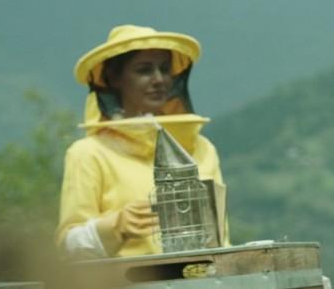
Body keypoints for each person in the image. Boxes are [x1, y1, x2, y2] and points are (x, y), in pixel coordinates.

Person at [55, 25, 227, 259]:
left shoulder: (202, 148)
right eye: (144, 70)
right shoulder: (88, 154)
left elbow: (221, 239)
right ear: (114, 78)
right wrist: (116, 226)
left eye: (165, 69)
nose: (159, 79)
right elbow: (68, 248)